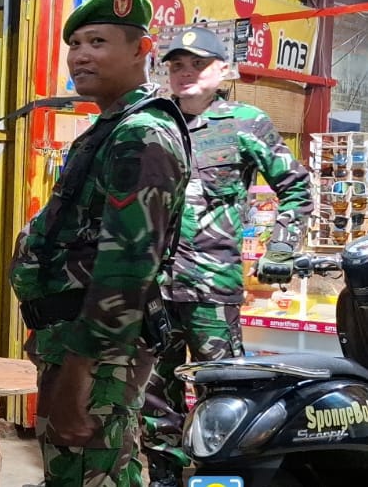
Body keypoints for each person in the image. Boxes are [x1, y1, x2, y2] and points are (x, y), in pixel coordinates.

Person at [10, 0, 191, 487]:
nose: (80, 56)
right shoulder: (113, 128)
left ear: (140, 50)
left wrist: (80, 371)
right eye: (74, 44)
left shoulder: (142, 135)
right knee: (88, 470)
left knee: (89, 472)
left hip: (98, 354)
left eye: (97, 42)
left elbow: (128, 268)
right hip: (76, 339)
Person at [141, 25, 312, 487]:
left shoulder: (244, 123)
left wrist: (281, 246)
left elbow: (296, 187)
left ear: (222, 71)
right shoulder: (152, 123)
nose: (186, 73)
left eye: (198, 64)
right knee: (153, 394)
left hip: (211, 287)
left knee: (224, 394)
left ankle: (222, 477)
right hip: (152, 289)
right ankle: (164, 477)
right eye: (177, 65)